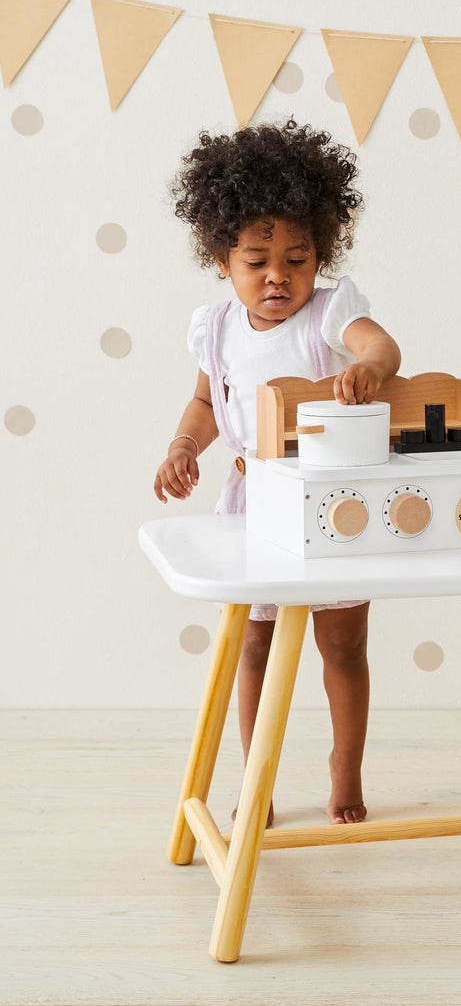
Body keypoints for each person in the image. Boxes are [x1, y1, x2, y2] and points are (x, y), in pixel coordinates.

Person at [154, 119, 401, 826]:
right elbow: (208, 401)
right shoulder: (218, 327)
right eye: (257, 259)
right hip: (253, 502)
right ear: (222, 259)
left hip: (331, 501)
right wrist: (182, 446)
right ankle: (255, 773)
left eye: (298, 258)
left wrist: (369, 367)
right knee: (254, 642)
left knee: (342, 645)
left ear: (321, 253)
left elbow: (380, 344)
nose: (278, 276)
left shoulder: (328, 313)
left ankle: (345, 769)